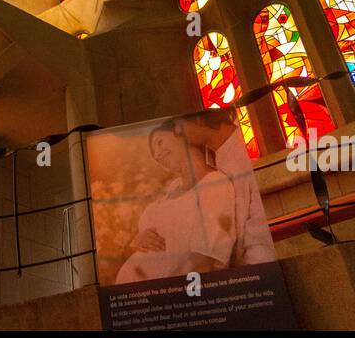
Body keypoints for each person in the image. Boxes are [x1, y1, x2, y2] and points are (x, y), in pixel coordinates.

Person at [115, 121, 234, 283]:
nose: (157, 155)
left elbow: (205, 258)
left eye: (159, 142)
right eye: (153, 154)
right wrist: (140, 238)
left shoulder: (214, 184)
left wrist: (167, 291)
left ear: (183, 135)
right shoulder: (171, 191)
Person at [178, 108, 276, 266]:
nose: (178, 132)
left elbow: (258, 224)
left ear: (199, 118)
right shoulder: (210, 160)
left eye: (180, 125)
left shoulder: (246, 149)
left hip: (258, 262)